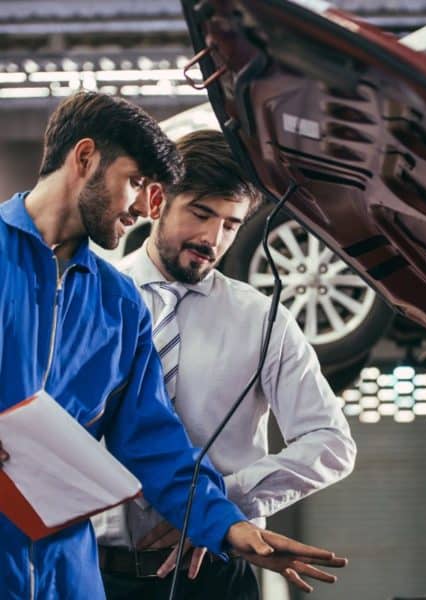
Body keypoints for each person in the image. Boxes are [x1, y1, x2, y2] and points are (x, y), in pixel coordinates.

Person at [0, 91, 346, 599]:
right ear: (85, 158)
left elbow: (152, 441)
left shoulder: (118, 303)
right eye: (136, 183)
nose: (144, 205)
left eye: (230, 224)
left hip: (67, 576)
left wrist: (226, 524)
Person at [96, 129, 357, 599]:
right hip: (96, 576)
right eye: (201, 214)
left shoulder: (263, 320)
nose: (212, 239)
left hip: (213, 578)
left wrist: (215, 507)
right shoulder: (92, 298)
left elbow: (332, 444)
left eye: (231, 224)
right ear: (158, 200)